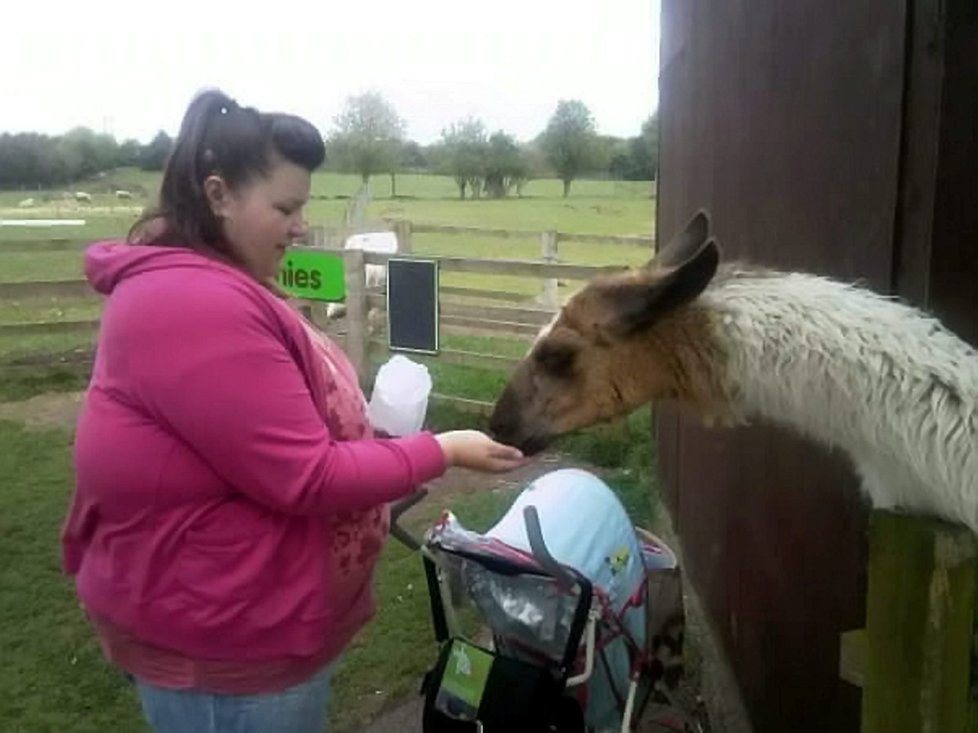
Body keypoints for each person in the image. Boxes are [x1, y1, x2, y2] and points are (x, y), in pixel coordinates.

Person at [60, 88, 525, 733]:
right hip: (227, 651)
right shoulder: (193, 304)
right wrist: (439, 450)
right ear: (219, 194)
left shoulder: (215, 282)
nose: (301, 226)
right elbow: (304, 476)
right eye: (286, 207)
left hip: (244, 623)